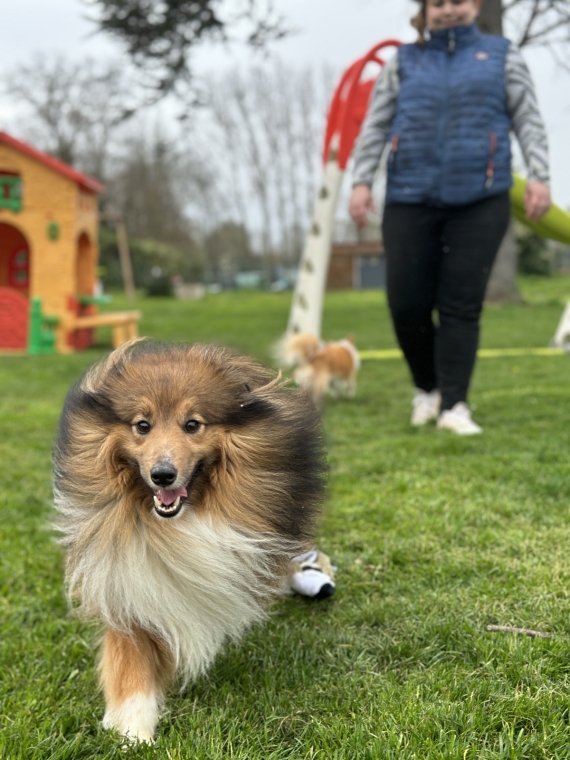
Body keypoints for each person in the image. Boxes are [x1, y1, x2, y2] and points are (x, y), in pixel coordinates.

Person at [349, 0, 551, 435]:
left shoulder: (502, 55)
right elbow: (376, 124)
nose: (448, 11)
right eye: (438, 4)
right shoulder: (404, 61)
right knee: (407, 304)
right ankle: (428, 390)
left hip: (481, 198)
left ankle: (454, 406)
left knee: (461, 305)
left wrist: (540, 175)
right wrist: (361, 181)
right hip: (408, 195)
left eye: (457, 1)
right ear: (426, 10)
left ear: (475, 5)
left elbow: (528, 117)